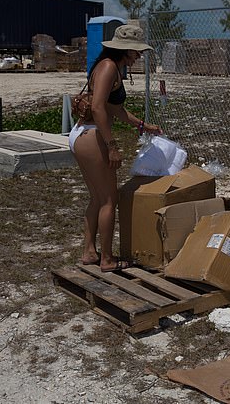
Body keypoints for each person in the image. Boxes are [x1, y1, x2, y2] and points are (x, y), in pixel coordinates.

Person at [68, 24, 162, 272]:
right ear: (127, 50)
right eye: (137, 52)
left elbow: (115, 110)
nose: (139, 56)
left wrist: (143, 125)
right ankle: (108, 259)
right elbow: (98, 108)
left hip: (81, 134)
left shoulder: (107, 66)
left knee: (98, 198)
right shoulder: (110, 68)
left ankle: (90, 252)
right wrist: (112, 146)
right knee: (110, 199)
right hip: (92, 135)